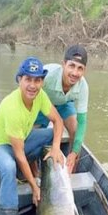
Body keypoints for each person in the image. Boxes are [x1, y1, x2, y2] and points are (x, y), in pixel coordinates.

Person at [0, 56, 65, 215]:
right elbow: (19, 155)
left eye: (37, 80)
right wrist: (34, 187)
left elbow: (58, 121)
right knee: (9, 168)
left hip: (18, 145)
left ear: (42, 82)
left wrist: (55, 148)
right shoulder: (12, 107)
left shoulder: (41, 96)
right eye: (28, 79)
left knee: (48, 134)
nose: (33, 85)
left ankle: (28, 172)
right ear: (19, 80)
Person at [34, 45, 89, 174]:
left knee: (75, 131)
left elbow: (82, 121)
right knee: (31, 136)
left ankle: (71, 171)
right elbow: (28, 95)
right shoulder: (47, 75)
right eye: (72, 66)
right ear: (63, 64)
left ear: (84, 70)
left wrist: (74, 152)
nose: (75, 73)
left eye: (80, 68)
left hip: (64, 103)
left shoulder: (83, 86)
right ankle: (35, 173)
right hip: (42, 103)